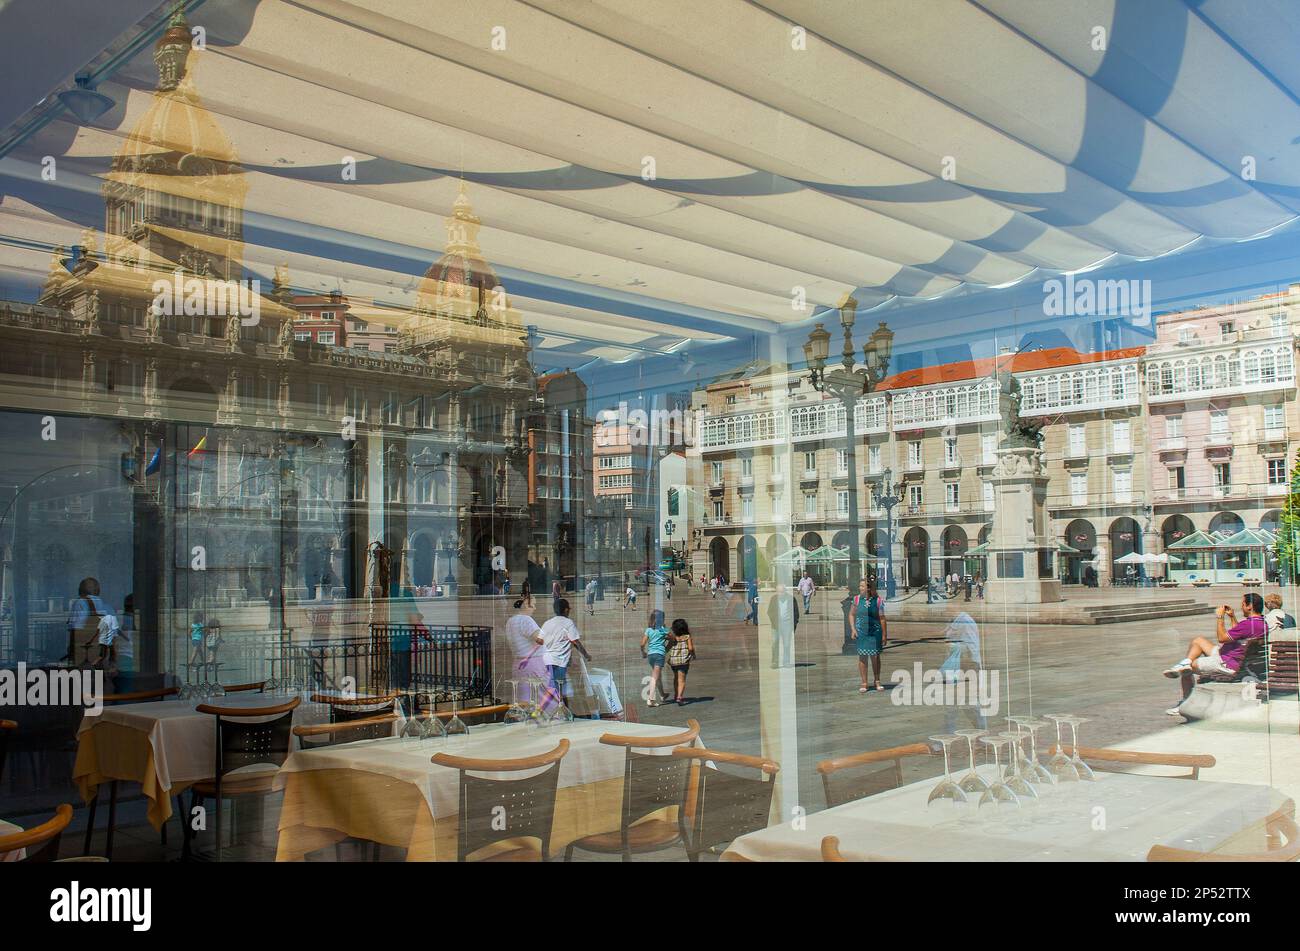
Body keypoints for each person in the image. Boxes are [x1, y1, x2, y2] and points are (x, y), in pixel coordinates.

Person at [1162, 593, 1267, 715]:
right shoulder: (1260, 623)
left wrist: (1220, 617)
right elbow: (1239, 635)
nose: (1241, 607)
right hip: (1233, 657)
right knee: (1198, 641)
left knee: (1188, 668)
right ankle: (1183, 663)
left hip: (1227, 663)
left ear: (1250, 607)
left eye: (1243, 604)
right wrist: (1232, 617)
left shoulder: (1248, 624)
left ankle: (1185, 702)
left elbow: (1222, 638)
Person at [537, 598, 591, 711]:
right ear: (566, 610)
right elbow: (575, 641)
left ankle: (565, 711)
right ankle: (540, 711)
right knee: (556, 687)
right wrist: (586, 654)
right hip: (559, 660)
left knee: (558, 686)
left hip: (548, 659)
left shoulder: (548, 623)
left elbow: (539, 640)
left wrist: (551, 641)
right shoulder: (568, 623)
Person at [505, 593, 547, 704]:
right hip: (533, 663)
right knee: (540, 698)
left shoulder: (510, 621)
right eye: (533, 605)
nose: (535, 608)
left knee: (524, 699)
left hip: (519, 663)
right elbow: (540, 639)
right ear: (526, 606)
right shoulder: (526, 620)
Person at [852, 577, 887, 693]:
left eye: (862, 586)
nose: (860, 588)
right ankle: (864, 682)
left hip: (874, 632)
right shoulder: (856, 600)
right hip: (861, 632)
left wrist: (884, 635)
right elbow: (851, 615)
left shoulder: (877, 601)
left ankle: (877, 680)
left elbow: (882, 618)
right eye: (860, 586)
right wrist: (853, 629)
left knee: (875, 657)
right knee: (862, 657)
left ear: (868, 588)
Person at [65, 576, 107, 665]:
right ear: (97, 590)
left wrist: (72, 650)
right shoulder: (103, 603)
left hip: (83, 648)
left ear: (81, 589)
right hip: (99, 647)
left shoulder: (79, 603)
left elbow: (75, 629)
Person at [639, 609, 672, 706]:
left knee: (658, 676)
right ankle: (651, 699)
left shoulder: (648, 630)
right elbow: (673, 638)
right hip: (659, 655)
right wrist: (667, 647)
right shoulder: (663, 630)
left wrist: (643, 652)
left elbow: (642, 643)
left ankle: (662, 695)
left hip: (650, 656)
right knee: (654, 677)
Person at [767, 581, 800, 668]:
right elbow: (769, 612)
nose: (780, 593)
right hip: (776, 625)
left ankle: (786, 662)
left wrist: (794, 624)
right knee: (775, 643)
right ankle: (775, 662)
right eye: (779, 591)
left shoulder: (791, 599)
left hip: (787, 625)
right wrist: (774, 621)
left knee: (786, 644)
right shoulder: (773, 599)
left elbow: (796, 613)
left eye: (782, 591)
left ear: (785, 591)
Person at [666, 618, 696, 705]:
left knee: (676, 678)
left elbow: (667, 648)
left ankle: (676, 695)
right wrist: (693, 655)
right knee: (681, 680)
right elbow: (690, 648)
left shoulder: (673, 638)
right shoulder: (687, 637)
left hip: (674, 662)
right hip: (683, 662)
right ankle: (679, 697)